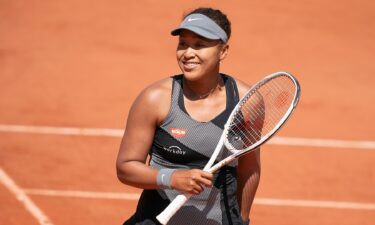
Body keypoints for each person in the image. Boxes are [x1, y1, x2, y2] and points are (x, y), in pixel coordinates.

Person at [116, 7, 261, 225]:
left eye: (200, 45)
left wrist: (242, 220)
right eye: (183, 43)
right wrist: (171, 178)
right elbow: (126, 167)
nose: (188, 53)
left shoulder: (247, 102)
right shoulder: (155, 99)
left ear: (223, 51)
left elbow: (249, 168)